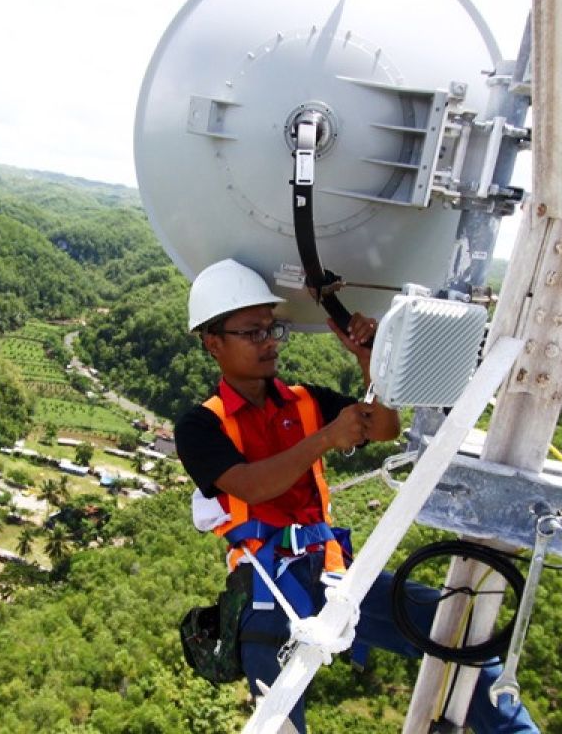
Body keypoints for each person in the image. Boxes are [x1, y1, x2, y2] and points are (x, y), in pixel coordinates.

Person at [174, 258, 537, 734]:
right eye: (253, 332)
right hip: (267, 586)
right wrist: (325, 439)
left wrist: (372, 362)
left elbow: (384, 427)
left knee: (458, 634)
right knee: (279, 722)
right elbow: (250, 485)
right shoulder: (201, 425)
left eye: (272, 329)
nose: (269, 342)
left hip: (330, 570)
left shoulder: (305, 400)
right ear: (213, 342)